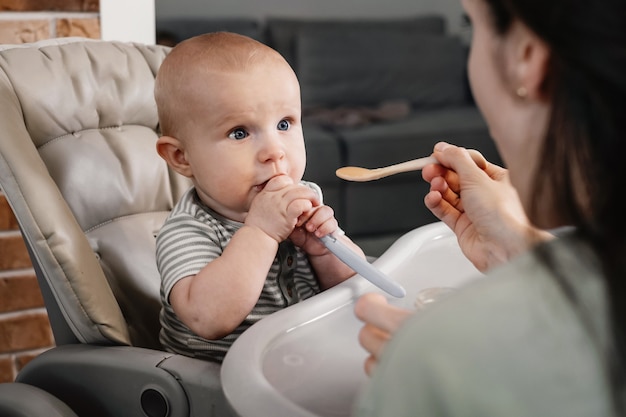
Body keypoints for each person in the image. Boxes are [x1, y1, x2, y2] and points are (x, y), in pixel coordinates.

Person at [353, 0, 626, 415]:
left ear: (526, 55)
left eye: (473, 25)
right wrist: (520, 250)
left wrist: (434, 365)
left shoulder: (444, 361)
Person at [154, 32, 364, 363]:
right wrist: (261, 233)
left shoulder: (305, 197)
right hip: (220, 383)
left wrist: (325, 249)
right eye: (239, 132)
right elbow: (207, 319)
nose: (274, 152)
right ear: (182, 157)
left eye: (284, 124)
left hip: (304, 360)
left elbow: (360, 288)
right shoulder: (189, 230)